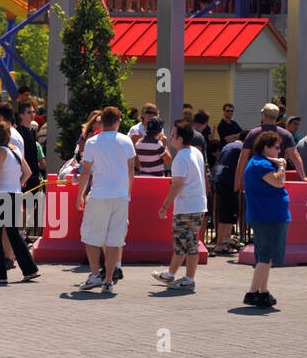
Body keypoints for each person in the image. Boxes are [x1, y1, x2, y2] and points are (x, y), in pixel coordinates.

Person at [75, 107, 138, 292]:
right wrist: (128, 191)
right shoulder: (126, 141)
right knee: (114, 240)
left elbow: (85, 172)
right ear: (117, 121)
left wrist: (80, 195)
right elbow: (131, 170)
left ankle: (95, 274)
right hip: (120, 195)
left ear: (102, 121)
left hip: (99, 194)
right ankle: (109, 280)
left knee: (91, 237)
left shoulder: (93, 142)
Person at [151, 122, 208, 290]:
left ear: (181, 139)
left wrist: (164, 207)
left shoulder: (180, 158)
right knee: (185, 243)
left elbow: (176, 185)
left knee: (186, 244)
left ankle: (188, 279)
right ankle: (170, 274)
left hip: (187, 207)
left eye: (173, 134)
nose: (170, 137)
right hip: (197, 205)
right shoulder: (195, 152)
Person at [0, 121, 40, 284]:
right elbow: (28, 172)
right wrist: (18, 183)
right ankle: (30, 269)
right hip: (14, 194)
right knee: (13, 234)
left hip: (0, 196)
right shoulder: (15, 151)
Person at [242, 130, 291, 309]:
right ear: (266, 148)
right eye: (277, 147)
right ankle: (253, 292)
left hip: (267, 215)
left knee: (265, 256)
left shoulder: (258, 163)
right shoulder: (261, 164)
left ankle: (263, 292)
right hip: (268, 216)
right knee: (266, 255)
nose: (279, 151)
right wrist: (281, 166)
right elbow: (279, 182)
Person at [236, 104, 305, 188]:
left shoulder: (252, 133)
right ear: (276, 117)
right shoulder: (286, 134)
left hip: (256, 177)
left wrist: (240, 180)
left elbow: (243, 158)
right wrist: (303, 177)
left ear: (263, 115)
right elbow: (295, 156)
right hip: (275, 178)